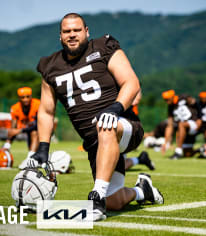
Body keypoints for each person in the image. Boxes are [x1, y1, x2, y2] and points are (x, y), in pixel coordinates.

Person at [30, 13, 163, 221]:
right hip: (95, 143)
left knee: (106, 124)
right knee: (115, 201)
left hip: (123, 126)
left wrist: (115, 109)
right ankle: (142, 191)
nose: (72, 35)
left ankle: (96, 198)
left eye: (76, 30)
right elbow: (47, 111)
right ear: (60, 36)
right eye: (67, 31)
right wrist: (43, 148)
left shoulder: (103, 47)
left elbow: (131, 82)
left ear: (86, 31)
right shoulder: (50, 67)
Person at [161, 90, 202, 159]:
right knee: (187, 154)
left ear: (172, 97)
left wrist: (200, 119)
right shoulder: (170, 107)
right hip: (184, 130)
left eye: (167, 100)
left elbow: (196, 104)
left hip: (193, 124)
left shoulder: (183, 98)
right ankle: (201, 149)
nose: (166, 102)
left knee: (181, 124)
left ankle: (178, 152)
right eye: (165, 100)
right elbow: (170, 126)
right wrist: (165, 142)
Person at [2, 87, 40, 160]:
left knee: (34, 132)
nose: (25, 99)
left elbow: (39, 124)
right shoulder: (15, 108)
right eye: (23, 97)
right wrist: (7, 143)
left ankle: (30, 159)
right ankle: (6, 149)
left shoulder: (38, 104)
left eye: (27, 97)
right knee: (12, 131)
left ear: (31, 97)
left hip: (41, 130)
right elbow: (13, 128)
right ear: (19, 98)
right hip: (26, 129)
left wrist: (20, 131)